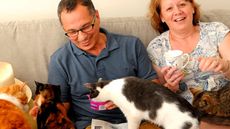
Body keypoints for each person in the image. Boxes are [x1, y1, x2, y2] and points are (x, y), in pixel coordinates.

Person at [29, 0, 158, 129]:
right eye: (72, 32)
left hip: (139, 120)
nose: (82, 37)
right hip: (91, 124)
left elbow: (155, 87)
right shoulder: (59, 60)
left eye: (85, 27)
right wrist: (45, 112)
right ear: (64, 29)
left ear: (96, 16)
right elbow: (62, 106)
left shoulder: (132, 45)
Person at [147, 0, 230, 128]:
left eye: (182, 4)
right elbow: (158, 96)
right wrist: (171, 87)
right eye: (169, 9)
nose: (177, 11)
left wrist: (225, 66)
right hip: (188, 110)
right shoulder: (156, 48)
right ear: (162, 17)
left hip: (224, 100)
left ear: (192, 8)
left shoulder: (216, 30)